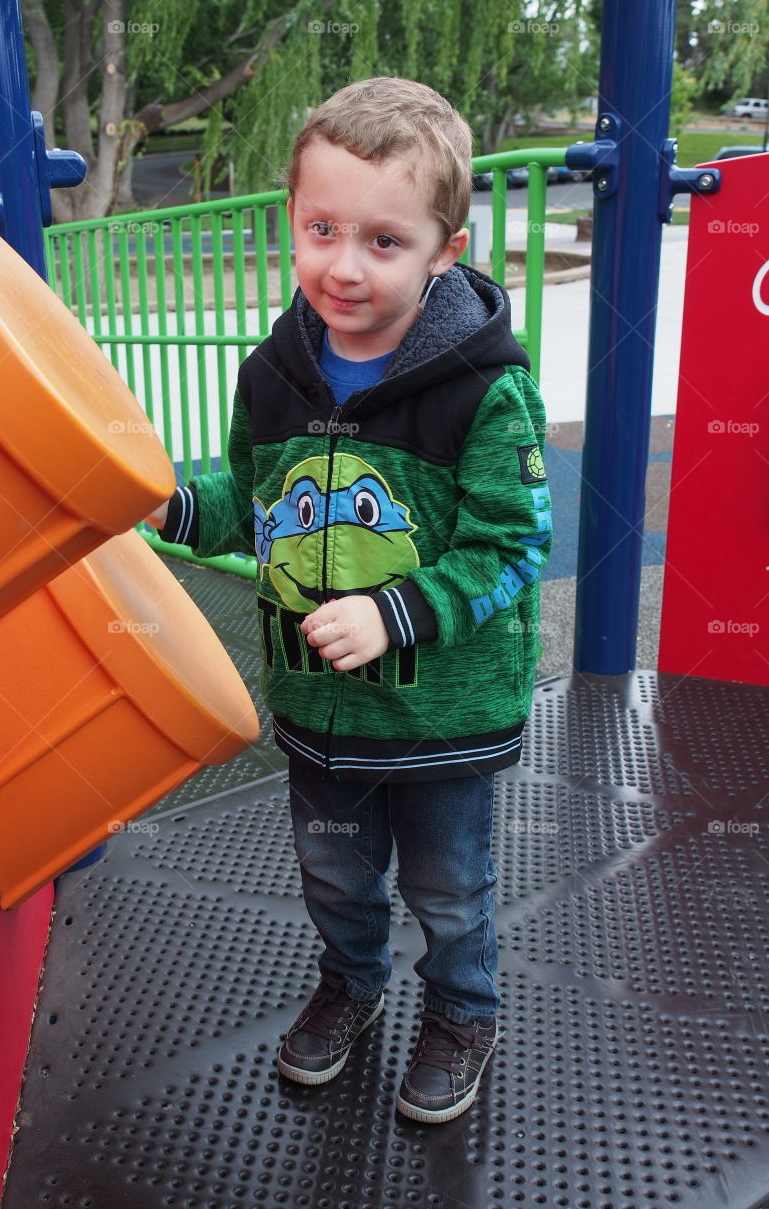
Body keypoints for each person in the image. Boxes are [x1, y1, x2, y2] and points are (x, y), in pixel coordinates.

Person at [147, 77, 552, 1123]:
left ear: (442, 250)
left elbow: (513, 544)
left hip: (441, 717)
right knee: (334, 874)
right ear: (292, 219)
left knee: (449, 886)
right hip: (321, 713)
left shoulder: (482, 388)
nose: (343, 264)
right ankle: (353, 981)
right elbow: (258, 498)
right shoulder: (273, 375)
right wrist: (180, 507)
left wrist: (397, 610)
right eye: (322, 228)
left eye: (383, 240)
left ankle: (463, 1008)